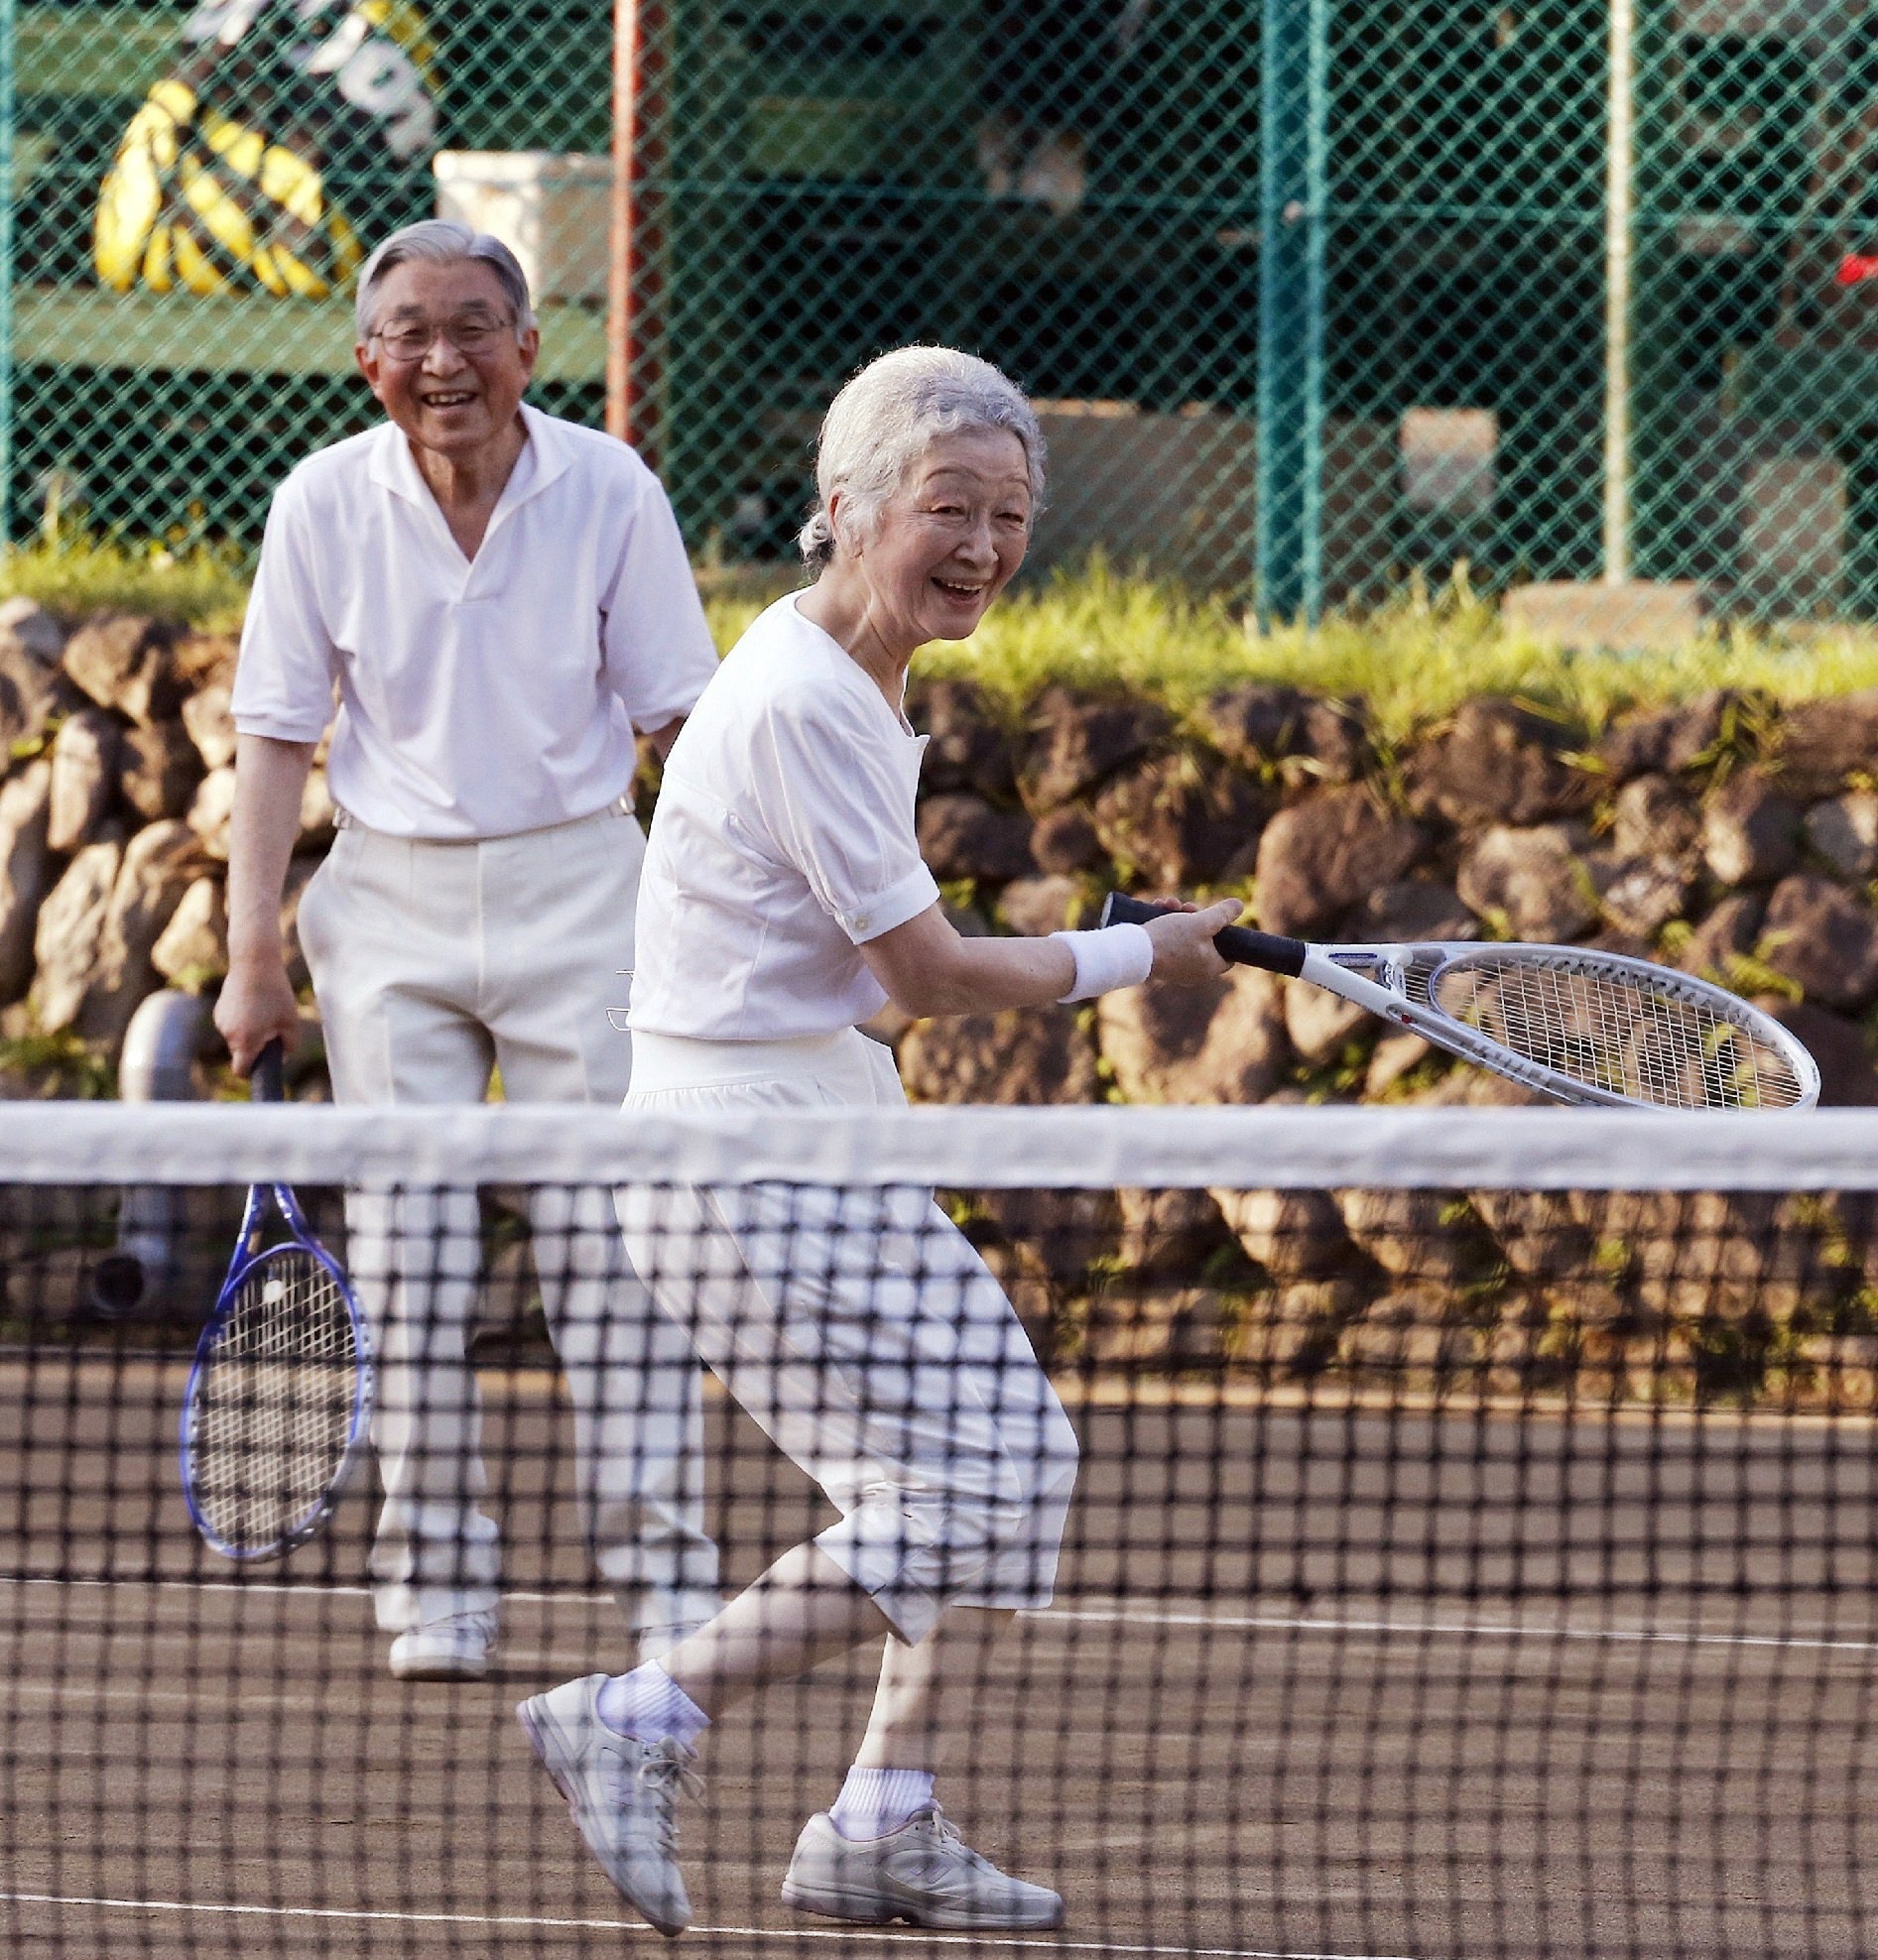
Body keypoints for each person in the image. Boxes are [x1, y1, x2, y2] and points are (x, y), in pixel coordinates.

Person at [516, 345, 1240, 1935]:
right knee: (985, 1479)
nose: (982, 545)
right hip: (738, 1160)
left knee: (994, 1470)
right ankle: (635, 1719)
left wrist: (1120, 943)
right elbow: (923, 979)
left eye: (1009, 513)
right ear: (843, 510)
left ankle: (878, 1821)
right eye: (947, 509)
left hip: (810, 1136)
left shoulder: (849, 678)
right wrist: (1143, 954)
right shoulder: (795, 703)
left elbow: (850, 961)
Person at [214, 219, 723, 1682]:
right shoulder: (318, 502)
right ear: (370, 360)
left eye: (473, 328)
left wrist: (742, 916)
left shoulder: (612, 485)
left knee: (615, 1255)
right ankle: (434, 1581)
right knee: (412, 1259)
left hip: (589, 891)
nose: (446, 360)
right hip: (385, 910)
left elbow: (681, 728)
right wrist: (257, 957)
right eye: (412, 335)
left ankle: (664, 1585)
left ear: (527, 348)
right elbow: (273, 740)